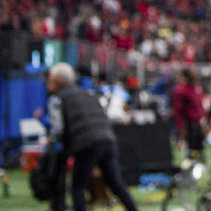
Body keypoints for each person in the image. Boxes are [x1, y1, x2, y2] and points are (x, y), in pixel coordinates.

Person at [44, 62, 140, 211]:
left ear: (58, 80)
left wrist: (51, 142)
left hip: (86, 143)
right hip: (108, 140)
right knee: (115, 183)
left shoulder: (58, 98)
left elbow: (57, 129)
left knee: (78, 188)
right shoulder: (88, 93)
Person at [171, 67, 206, 157]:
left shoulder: (195, 88)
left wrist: (203, 121)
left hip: (197, 123)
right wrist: (181, 126)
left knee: (198, 150)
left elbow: (199, 106)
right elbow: (178, 110)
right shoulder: (181, 90)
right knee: (190, 150)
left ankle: (197, 167)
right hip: (188, 124)